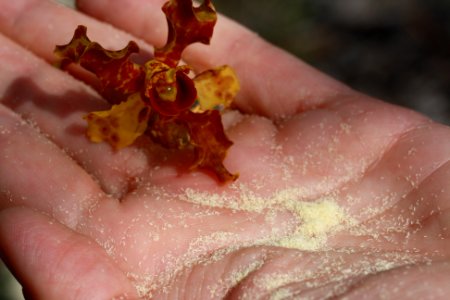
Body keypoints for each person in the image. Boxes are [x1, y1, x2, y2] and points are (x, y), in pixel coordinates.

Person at [1, 0, 449, 299]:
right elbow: (85, 53)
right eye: (161, 85)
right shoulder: (139, 103)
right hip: (138, 111)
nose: (166, 85)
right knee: (111, 130)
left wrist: (217, 164)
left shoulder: (197, 96)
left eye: (169, 82)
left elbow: (209, 138)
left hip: (177, 107)